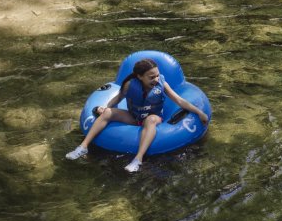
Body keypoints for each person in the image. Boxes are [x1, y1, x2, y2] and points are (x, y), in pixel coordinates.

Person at [65, 57, 209, 173]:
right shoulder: (129, 85)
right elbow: (118, 98)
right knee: (108, 113)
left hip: (153, 118)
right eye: (151, 77)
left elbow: (179, 100)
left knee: (151, 119)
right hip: (134, 117)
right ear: (140, 77)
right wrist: (105, 107)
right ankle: (82, 147)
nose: (156, 79)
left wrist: (199, 112)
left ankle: (137, 159)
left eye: (157, 75)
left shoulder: (161, 84)